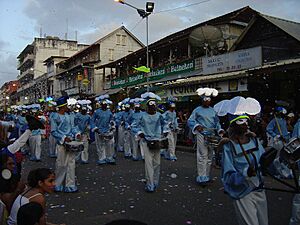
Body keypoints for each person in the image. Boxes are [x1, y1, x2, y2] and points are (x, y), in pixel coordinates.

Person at [219, 96, 267, 225]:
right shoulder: (229, 147)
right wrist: (245, 174)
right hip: (243, 192)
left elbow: (266, 163)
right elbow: (228, 176)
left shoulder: (255, 141)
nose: (245, 124)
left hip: (260, 189)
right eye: (241, 122)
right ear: (233, 125)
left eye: (246, 121)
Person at [188, 88, 223, 186]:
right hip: (201, 134)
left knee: (210, 156)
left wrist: (220, 130)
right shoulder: (197, 110)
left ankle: (206, 176)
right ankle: (201, 177)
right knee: (202, 155)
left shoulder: (213, 111)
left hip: (211, 135)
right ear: (202, 100)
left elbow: (217, 123)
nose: (207, 101)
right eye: (205, 100)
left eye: (208, 100)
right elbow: (190, 120)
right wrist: (197, 126)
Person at [137, 92, 168, 192]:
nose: (152, 108)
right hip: (146, 141)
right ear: (147, 107)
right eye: (150, 107)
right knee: (148, 163)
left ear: (155, 107)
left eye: (153, 107)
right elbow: (135, 125)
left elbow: (165, 125)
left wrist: (166, 132)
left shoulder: (159, 116)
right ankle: (150, 184)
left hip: (157, 141)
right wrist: (140, 132)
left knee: (157, 163)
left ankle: (155, 182)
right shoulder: (142, 116)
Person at [50, 96, 81, 193]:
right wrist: (63, 138)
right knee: (61, 164)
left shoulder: (70, 116)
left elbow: (73, 127)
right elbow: (53, 131)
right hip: (62, 144)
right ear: (63, 106)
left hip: (70, 143)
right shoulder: (55, 117)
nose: (68, 107)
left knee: (71, 164)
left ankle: (70, 185)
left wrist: (77, 133)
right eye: (66, 105)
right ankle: (58, 184)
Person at [92, 95, 116, 165]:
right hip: (99, 131)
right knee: (100, 145)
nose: (104, 106)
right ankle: (101, 158)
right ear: (101, 105)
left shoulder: (109, 112)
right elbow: (92, 121)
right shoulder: (97, 112)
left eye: (105, 105)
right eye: (103, 105)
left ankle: (109, 158)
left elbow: (112, 120)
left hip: (107, 131)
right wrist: (95, 128)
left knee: (109, 145)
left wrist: (112, 125)